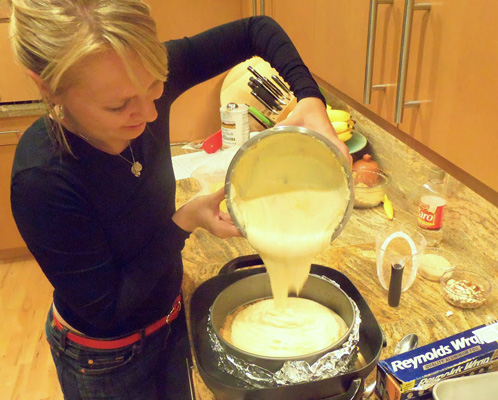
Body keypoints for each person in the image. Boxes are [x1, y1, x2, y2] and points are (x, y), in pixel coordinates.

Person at [9, 0, 351, 399]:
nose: (150, 114)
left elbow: (256, 29)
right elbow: (109, 309)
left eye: (155, 85)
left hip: (172, 318)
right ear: (47, 87)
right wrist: (183, 222)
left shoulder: (128, 70)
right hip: (105, 363)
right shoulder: (43, 181)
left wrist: (310, 99)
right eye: (119, 105)